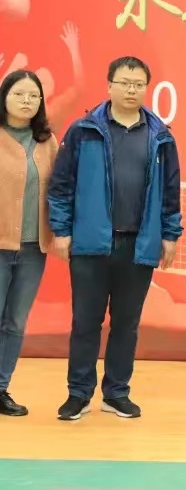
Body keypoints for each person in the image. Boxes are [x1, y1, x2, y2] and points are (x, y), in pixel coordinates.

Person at [48, 56, 182, 421]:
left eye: (138, 84)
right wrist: (61, 230)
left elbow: (170, 192)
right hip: (91, 244)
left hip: (138, 245)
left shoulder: (161, 136)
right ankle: (78, 394)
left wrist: (170, 234)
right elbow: (61, 186)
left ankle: (116, 393)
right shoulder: (83, 130)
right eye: (124, 82)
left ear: (146, 88)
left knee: (126, 323)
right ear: (109, 85)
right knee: (85, 322)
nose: (131, 90)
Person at [0, 70, 58, 416]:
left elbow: (60, 191)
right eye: (19, 93)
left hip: (33, 248)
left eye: (33, 95)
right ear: (4, 97)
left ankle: (1, 388)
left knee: (15, 322)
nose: (26, 100)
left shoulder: (47, 142)